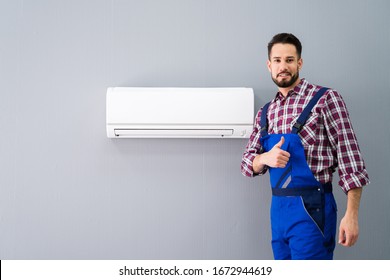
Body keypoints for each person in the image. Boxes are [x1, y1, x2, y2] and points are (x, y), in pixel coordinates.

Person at [241, 33, 369, 260]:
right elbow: (247, 163)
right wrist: (264, 159)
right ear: (269, 65)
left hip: (312, 211)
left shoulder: (325, 99)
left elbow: (352, 161)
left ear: (299, 63)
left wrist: (352, 215)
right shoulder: (266, 112)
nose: (283, 66)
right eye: (277, 61)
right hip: (278, 213)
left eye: (289, 60)